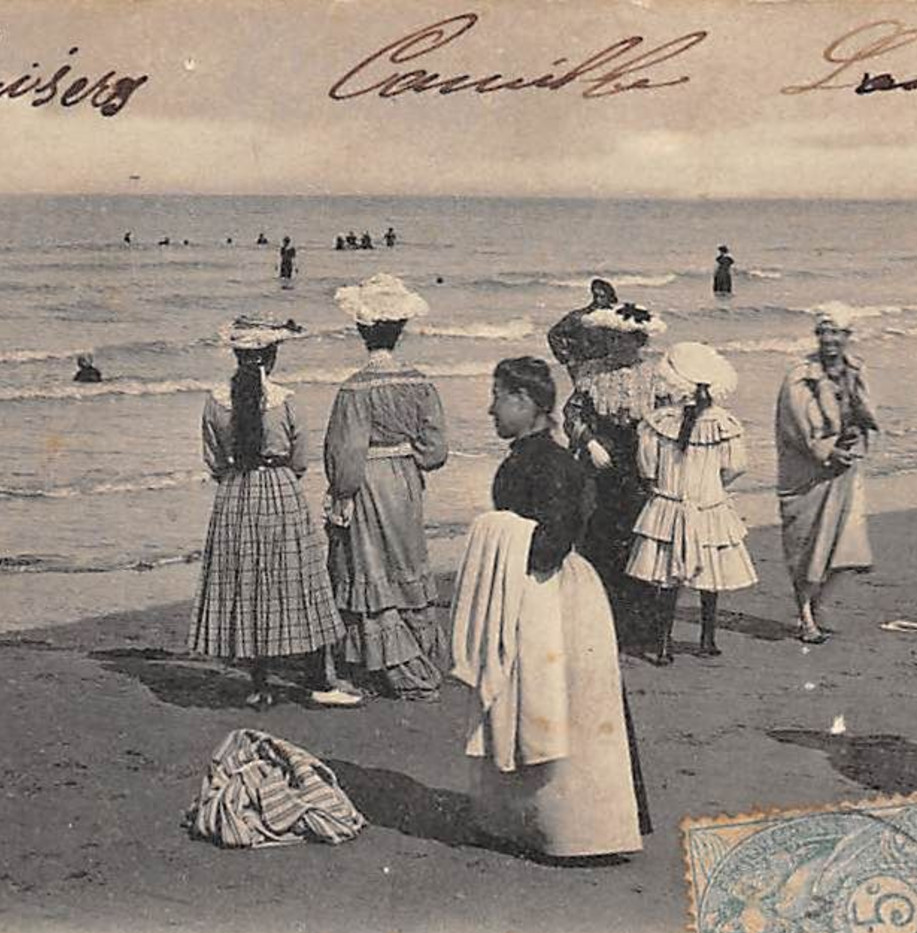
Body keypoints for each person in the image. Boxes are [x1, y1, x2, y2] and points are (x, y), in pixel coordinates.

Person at [449, 355, 649, 861]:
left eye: (498, 397)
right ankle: (526, 822)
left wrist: (494, 533)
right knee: (544, 701)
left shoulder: (550, 462)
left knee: (558, 702)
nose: (490, 408)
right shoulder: (534, 456)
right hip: (540, 589)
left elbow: (549, 545)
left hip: (554, 594)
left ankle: (575, 829)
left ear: (526, 402)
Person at [190, 315, 360, 709]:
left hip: (234, 492)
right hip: (279, 489)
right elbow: (299, 459)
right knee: (300, 583)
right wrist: (280, 477)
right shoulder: (285, 400)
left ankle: (259, 684)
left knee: (247, 586)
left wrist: (235, 479)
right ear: (272, 355)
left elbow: (214, 459)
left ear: (237, 355)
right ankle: (319, 680)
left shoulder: (215, 401)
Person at [324, 275, 448, 701]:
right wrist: (410, 455)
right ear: (400, 330)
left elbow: (345, 455)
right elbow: (436, 449)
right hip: (406, 476)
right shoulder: (419, 382)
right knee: (407, 560)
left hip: (369, 482)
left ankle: (386, 662)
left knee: (371, 566)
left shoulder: (354, 387)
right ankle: (420, 654)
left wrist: (340, 493)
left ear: (362, 331)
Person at [627, 343, 757, 661]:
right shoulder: (724, 423)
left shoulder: (657, 423)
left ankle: (663, 644)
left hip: (669, 505)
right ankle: (707, 640)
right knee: (709, 575)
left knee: (667, 577)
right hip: (709, 506)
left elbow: (646, 467)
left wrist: (661, 486)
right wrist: (713, 488)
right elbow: (736, 467)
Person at [556, 296, 668, 650]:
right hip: (600, 461)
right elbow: (571, 415)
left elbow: (668, 421)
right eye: (613, 338)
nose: (617, 344)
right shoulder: (591, 373)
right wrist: (588, 442)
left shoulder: (657, 375)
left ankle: (639, 629)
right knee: (598, 536)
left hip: (641, 464)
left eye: (625, 339)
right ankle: (600, 626)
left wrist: (657, 458)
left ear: (640, 341)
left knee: (641, 539)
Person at [775, 303, 878, 644]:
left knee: (843, 546)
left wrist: (858, 444)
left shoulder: (855, 370)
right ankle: (805, 614)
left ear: (847, 336)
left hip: (845, 467)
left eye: (835, 333)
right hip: (807, 473)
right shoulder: (799, 376)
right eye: (823, 332)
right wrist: (827, 451)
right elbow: (796, 429)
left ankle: (815, 605)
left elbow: (866, 413)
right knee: (805, 544)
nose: (829, 339)